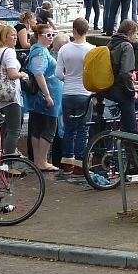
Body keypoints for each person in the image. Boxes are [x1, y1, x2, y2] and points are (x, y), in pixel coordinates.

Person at [53, 18, 95, 176]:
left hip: (68, 93)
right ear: (87, 30)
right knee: (83, 130)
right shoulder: (92, 49)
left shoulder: (64, 49)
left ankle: (67, 163)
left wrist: (68, 78)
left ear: (74, 29)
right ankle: (79, 165)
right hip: (84, 93)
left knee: (69, 129)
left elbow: (58, 74)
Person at [26, 22, 62, 173]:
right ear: (38, 36)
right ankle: (41, 160)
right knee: (48, 127)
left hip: (39, 97)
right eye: (48, 35)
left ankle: (38, 160)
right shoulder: (40, 52)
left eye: (53, 35)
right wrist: (47, 95)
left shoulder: (38, 50)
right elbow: (38, 73)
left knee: (37, 127)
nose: (51, 38)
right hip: (45, 96)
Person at [0, 23, 29, 155]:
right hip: (10, 95)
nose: (15, 38)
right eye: (12, 35)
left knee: (2, 129)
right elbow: (12, 74)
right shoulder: (9, 52)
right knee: (14, 130)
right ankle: (9, 162)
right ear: (4, 37)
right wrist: (23, 74)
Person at [107, 20, 138, 134]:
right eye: (136, 33)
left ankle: (122, 129)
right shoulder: (127, 46)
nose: (137, 37)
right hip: (120, 90)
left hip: (108, 87)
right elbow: (125, 73)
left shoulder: (111, 43)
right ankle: (131, 143)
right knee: (133, 130)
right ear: (130, 32)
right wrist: (132, 92)